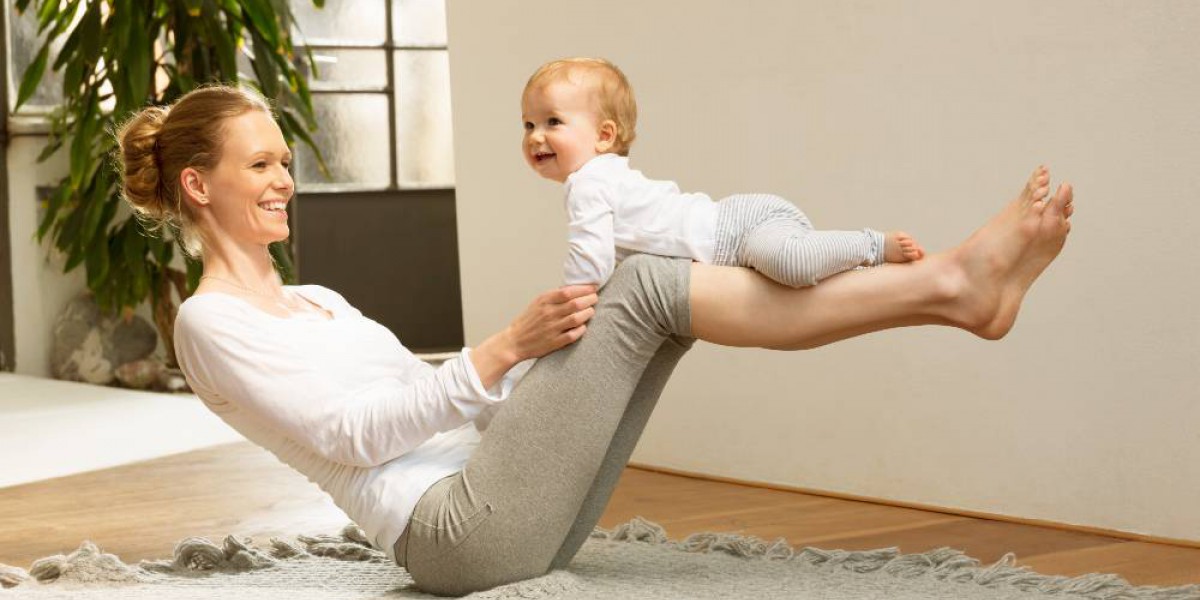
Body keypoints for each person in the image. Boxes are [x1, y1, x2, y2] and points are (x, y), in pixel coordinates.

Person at [117, 85, 1073, 596]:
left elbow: (439, 399)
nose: (285, 179)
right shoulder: (211, 324)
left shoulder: (319, 299)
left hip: (508, 503)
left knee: (654, 297)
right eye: (261, 165)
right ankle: (949, 283)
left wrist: (519, 357)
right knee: (649, 283)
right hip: (456, 538)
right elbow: (358, 438)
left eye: (286, 161)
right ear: (199, 186)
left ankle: (951, 296)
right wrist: (501, 350)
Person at [521, 57, 925, 289]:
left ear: (604, 135)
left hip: (737, 231)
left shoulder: (588, 183)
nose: (536, 137)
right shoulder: (605, 177)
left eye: (553, 122)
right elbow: (616, 255)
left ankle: (873, 245)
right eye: (528, 125)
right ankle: (852, 260)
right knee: (792, 282)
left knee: (792, 265)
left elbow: (590, 263)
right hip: (737, 227)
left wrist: (569, 300)